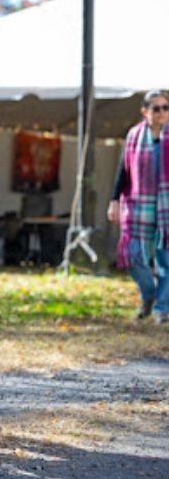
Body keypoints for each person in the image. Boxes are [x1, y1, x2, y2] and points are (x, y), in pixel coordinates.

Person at [108, 90, 169, 324]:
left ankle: (162, 309)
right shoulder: (134, 136)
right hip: (138, 205)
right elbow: (123, 171)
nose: (162, 112)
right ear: (145, 111)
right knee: (132, 255)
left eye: (165, 107)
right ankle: (149, 295)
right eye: (156, 108)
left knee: (166, 261)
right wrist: (114, 200)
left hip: (166, 207)